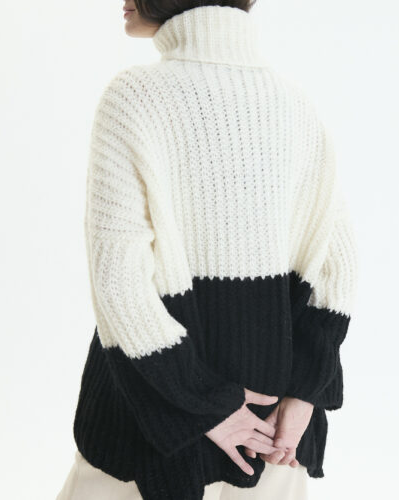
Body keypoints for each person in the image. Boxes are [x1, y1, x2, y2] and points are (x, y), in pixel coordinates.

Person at [56, 1, 359, 499]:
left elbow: (118, 281)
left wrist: (198, 402)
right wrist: (305, 391)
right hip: (273, 436)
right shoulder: (294, 104)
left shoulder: (135, 97)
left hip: (148, 433)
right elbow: (337, 267)